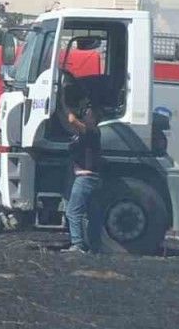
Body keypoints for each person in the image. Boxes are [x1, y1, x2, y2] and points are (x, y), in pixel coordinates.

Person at [63, 104, 102, 254]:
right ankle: (93, 245)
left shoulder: (91, 131)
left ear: (95, 118)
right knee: (90, 214)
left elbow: (72, 120)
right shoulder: (85, 133)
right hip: (89, 178)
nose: (86, 115)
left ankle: (77, 244)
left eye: (89, 114)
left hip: (85, 178)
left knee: (73, 211)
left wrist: (67, 106)